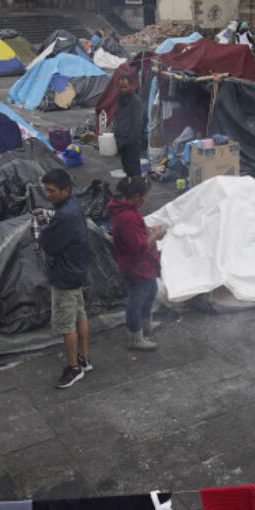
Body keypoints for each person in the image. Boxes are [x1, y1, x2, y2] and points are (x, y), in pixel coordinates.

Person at [39, 169, 91, 389]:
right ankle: (84, 359)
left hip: (64, 275)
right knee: (80, 314)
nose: (48, 195)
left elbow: (49, 244)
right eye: (46, 190)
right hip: (76, 271)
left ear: (65, 190)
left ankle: (73, 368)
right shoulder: (73, 206)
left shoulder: (64, 216)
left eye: (51, 191)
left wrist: (43, 231)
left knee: (66, 323)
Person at [107, 177, 165, 351]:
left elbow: (134, 234)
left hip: (141, 265)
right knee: (136, 302)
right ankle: (134, 337)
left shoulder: (126, 209)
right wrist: (155, 236)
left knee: (152, 291)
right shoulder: (128, 216)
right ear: (136, 196)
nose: (146, 200)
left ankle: (146, 325)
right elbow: (138, 247)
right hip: (137, 267)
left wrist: (148, 230)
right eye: (145, 197)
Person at [114, 77, 145, 179]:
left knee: (134, 168)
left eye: (125, 87)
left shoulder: (136, 101)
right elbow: (118, 116)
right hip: (121, 139)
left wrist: (131, 140)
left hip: (132, 142)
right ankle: (130, 185)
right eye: (121, 87)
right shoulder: (119, 98)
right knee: (126, 166)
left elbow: (138, 123)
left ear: (130, 87)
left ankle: (138, 188)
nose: (123, 90)